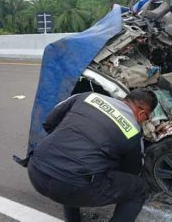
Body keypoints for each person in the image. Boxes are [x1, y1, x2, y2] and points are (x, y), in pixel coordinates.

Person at [27, 89, 158, 222]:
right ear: (142, 114)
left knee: (74, 159)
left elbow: (49, 123)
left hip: (36, 169)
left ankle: (73, 219)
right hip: (71, 187)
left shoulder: (87, 96)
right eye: (147, 118)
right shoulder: (133, 131)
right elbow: (132, 171)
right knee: (139, 189)